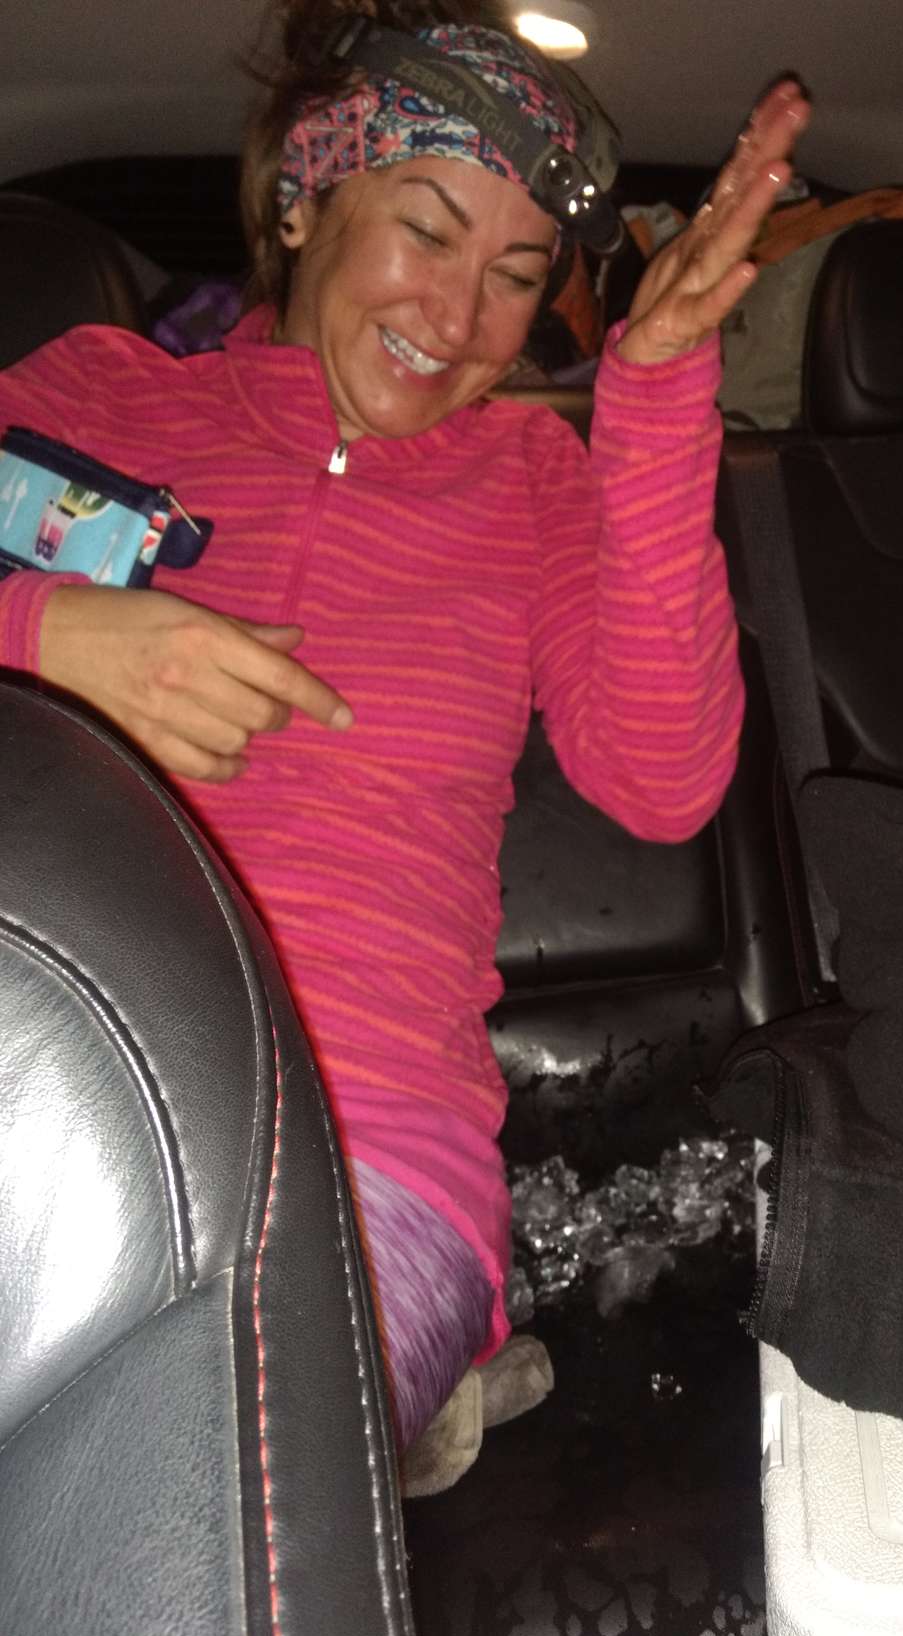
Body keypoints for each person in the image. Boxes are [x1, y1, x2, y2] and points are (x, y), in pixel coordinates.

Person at [0, 0, 809, 1454]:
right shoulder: (95, 397)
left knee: (180, 1476)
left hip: (359, 1150)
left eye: (514, 278)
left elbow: (666, 779)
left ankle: (401, 1402)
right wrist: (47, 635)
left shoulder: (532, 481)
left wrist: (651, 398)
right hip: (36, 1071)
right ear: (304, 200)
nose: (456, 319)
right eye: (426, 233)